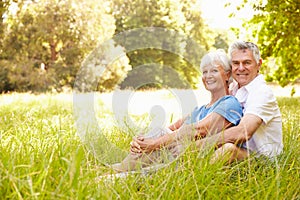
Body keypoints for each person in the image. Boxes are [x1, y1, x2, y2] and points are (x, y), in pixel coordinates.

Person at [111, 49, 243, 172]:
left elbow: (198, 130)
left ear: (227, 75)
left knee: (164, 142)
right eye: (204, 72)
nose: (208, 76)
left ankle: (122, 170)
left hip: (193, 163)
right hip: (174, 157)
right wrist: (141, 142)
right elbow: (168, 130)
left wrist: (154, 144)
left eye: (214, 71)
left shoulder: (229, 103)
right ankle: (124, 168)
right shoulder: (200, 110)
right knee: (159, 131)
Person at [193, 41, 283, 163]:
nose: (241, 68)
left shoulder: (262, 93)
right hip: (241, 152)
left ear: (259, 64)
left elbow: (243, 132)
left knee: (228, 149)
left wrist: (195, 146)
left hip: (263, 159)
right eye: (236, 63)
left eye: (247, 62)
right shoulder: (234, 89)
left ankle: (199, 178)